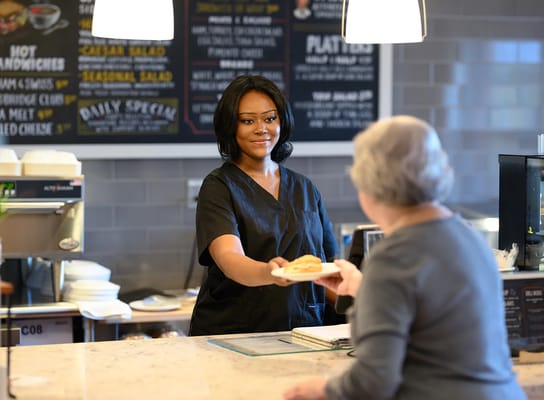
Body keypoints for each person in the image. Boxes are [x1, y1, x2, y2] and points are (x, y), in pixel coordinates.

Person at [283, 116, 526, 400]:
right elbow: (433, 314)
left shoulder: (393, 256)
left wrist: (320, 390)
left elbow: (372, 381)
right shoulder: (469, 237)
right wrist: (364, 287)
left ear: (369, 184)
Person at [188, 75, 338, 336]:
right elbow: (229, 259)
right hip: (234, 338)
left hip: (304, 336)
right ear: (230, 127)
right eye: (248, 121)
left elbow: (327, 270)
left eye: (270, 118)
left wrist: (367, 298)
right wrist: (270, 272)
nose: (261, 128)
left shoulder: (305, 188)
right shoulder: (219, 187)